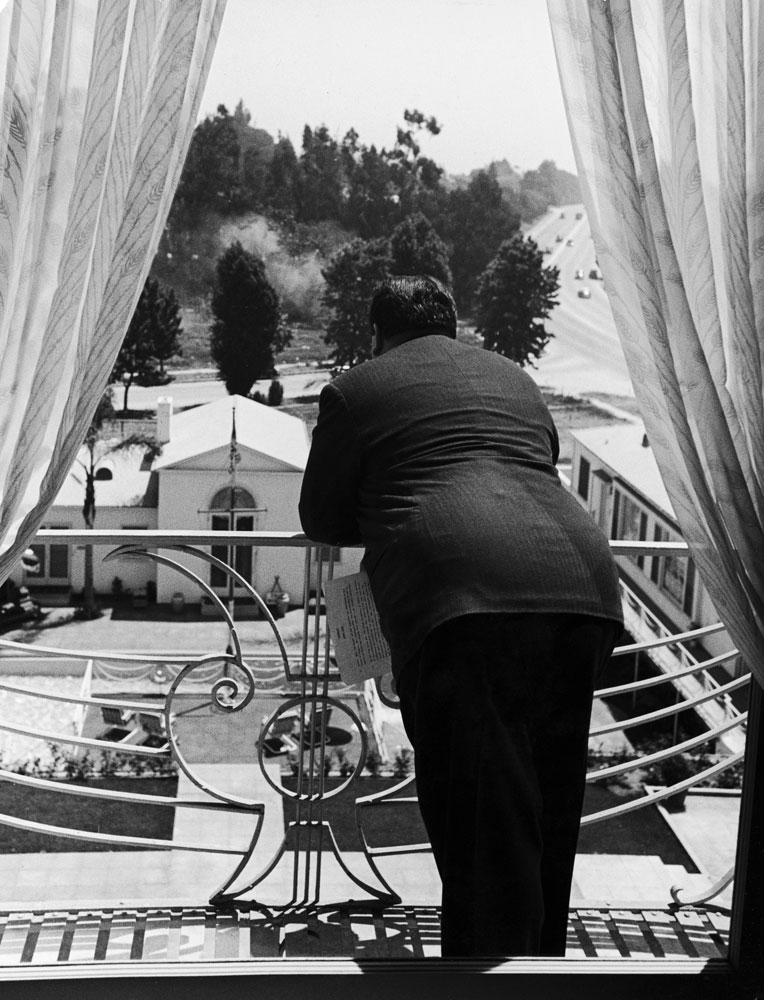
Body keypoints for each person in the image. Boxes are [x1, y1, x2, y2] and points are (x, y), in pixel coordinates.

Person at [299, 275, 623, 958]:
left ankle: (484, 985)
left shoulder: (356, 389)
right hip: (583, 591)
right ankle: (543, 969)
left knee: (481, 834)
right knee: (548, 812)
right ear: (452, 324)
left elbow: (320, 517)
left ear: (379, 334)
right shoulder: (516, 380)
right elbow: (537, 463)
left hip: (465, 610)